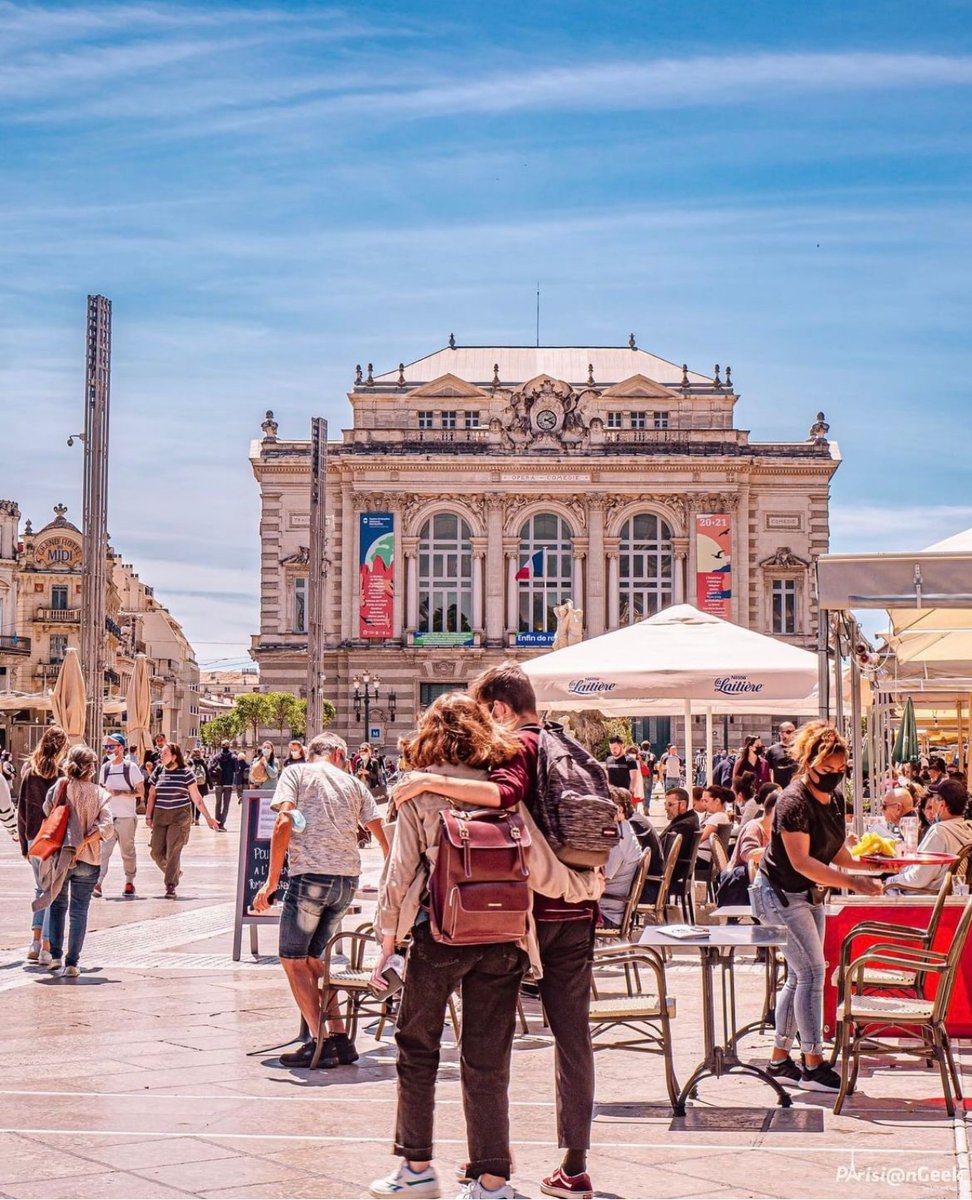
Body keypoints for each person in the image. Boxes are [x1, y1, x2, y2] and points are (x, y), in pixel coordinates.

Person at [392, 665, 602, 1200]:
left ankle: (426, 1166)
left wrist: (385, 942)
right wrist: (587, 887)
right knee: (543, 1045)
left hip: (489, 923)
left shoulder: (511, 756)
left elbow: (504, 803)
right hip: (541, 923)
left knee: (424, 1045)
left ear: (501, 710)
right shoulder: (567, 745)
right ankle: (536, 1171)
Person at [751, 720, 883, 1091]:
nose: (834, 777)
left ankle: (780, 1059)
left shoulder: (835, 799)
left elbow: (834, 848)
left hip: (808, 894)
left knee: (799, 975)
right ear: (808, 763)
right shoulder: (792, 801)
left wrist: (867, 863)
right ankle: (812, 1063)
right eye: (827, 770)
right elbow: (802, 861)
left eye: (840, 771)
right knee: (811, 973)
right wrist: (854, 882)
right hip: (778, 894)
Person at [252, 732, 387, 1069]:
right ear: (339, 754)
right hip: (346, 880)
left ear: (311, 752)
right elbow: (380, 830)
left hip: (311, 878)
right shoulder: (352, 782)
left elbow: (283, 820)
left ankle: (319, 1041)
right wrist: (389, 873)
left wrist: (270, 884)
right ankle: (340, 1038)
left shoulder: (295, 773)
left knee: (293, 959)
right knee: (314, 958)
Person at [40, 744, 114, 977]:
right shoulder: (100, 793)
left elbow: (47, 812)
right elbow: (107, 827)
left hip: (61, 855)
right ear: (91, 768)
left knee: (57, 905)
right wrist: (84, 841)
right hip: (88, 858)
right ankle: (72, 963)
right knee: (79, 911)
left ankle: (55, 957)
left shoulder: (59, 787)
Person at [18, 724, 68, 964]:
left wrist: (24, 845)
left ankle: (35, 942)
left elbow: (22, 812)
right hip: (53, 839)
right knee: (52, 891)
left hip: (33, 838)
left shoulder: (29, 772)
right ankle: (47, 946)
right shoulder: (61, 776)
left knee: (40, 887)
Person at [147, 742, 218, 898]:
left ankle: (170, 885)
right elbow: (152, 795)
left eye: (165, 754)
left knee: (173, 849)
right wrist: (148, 815)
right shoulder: (158, 771)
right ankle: (174, 872)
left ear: (174, 756)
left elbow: (196, 798)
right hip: (160, 815)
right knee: (156, 852)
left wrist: (208, 818)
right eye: (161, 753)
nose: (161, 756)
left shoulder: (186, 773)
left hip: (180, 816)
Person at [884, 780, 972, 894]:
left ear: (942, 804)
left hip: (923, 899)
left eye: (934, 798)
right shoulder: (968, 828)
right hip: (945, 896)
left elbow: (918, 878)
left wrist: (889, 881)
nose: (932, 802)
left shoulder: (939, 832)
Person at [95, 732, 144, 898]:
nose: (107, 750)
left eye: (111, 747)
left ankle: (130, 881)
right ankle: (98, 882)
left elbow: (141, 791)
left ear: (121, 748)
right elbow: (101, 789)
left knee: (127, 851)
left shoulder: (131, 767)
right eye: (106, 747)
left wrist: (121, 792)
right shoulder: (105, 768)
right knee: (103, 852)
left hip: (126, 817)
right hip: (108, 817)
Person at [600, 789, 645, 927]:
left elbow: (602, 875)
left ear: (618, 810)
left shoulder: (617, 838)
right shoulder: (624, 827)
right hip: (615, 908)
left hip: (608, 913)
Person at [696, 785, 732, 876]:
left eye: (706, 801)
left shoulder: (718, 817)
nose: (704, 804)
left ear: (717, 801)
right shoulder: (720, 816)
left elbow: (699, 838)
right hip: (707, 859)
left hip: (703, 859)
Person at [210, 740, 238, 829]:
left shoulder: (216, 756)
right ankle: (221, 824)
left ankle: (217, 822)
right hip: (228, 783)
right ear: (229, 746)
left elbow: (210, 768)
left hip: (218, 783)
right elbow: (236, 770)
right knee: (226, 805)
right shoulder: (233, 757)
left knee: (218, 803)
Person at [765, 722, 798, 789]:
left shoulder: (799, 748)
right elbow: (768, 772)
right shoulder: (772, 750)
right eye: (789, 732)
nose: (792, 734)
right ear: (781, 733)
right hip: (779, 789)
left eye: (794, 732)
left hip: (796, 789)